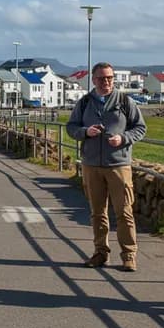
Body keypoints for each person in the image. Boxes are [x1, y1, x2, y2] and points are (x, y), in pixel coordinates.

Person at [66, 62, 147, 272]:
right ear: (93, 80)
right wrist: (85, 132)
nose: (106, 82)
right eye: (102, 78)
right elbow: (71, 127)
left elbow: (140, 127)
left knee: (124, 212)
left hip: (118, 164)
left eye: (110, 78)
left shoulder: (125, 101)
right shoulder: (84, 103)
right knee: (97, 213)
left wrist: (123, 138)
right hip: (92, 165)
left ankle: (129, 255)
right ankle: (100, 253)